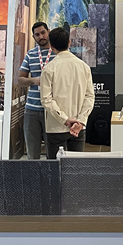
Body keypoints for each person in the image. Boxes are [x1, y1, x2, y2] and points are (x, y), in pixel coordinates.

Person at [40, 27, 95, 158]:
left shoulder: (48, 69)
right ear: (69, 42)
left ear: (51, 46)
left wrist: (65, 119)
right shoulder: (84, 67)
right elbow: (89, 97)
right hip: (78, 127)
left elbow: (46, 100)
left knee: (54, 166)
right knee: (75, 167)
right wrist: (81, 121)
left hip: (55, 127)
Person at [17, 22, 53, 160]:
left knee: (53, 154)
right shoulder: (31, 54)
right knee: (32, 154)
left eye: (43, 32)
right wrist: (33, 80)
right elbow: (20, 80)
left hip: (52, 110)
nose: (41, 36)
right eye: (37, 35)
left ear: (48, 32)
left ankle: (52, 175)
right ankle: (34, 175)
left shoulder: (57, 54)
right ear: (33, 37)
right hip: (32, 109)